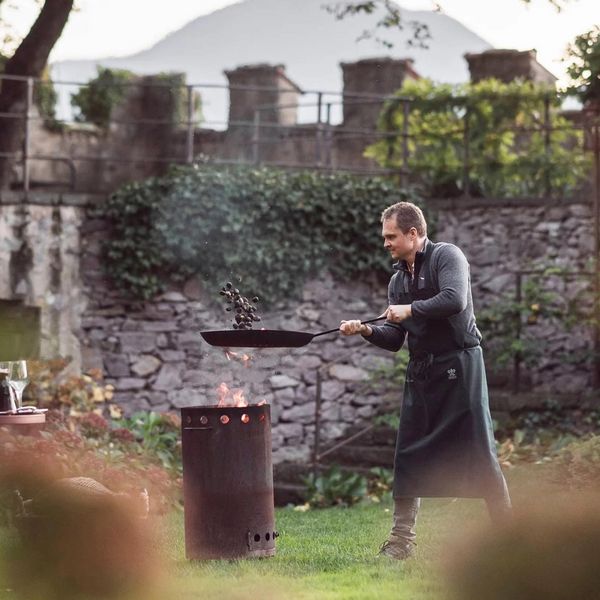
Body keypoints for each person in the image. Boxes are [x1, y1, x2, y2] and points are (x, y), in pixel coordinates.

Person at [340, 201, 511, 560]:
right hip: (421, 373)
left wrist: (411, 310)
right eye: (385, 236)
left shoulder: (448, 256)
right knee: (408, 455)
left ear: (413, 234)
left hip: (461, 367)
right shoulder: (397, 280)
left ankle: (510, 538)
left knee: (481, 453)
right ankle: (401, 543)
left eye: (391, 236)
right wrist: (367, 330)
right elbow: (394, 339)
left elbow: (454, 299)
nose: (386, 243)